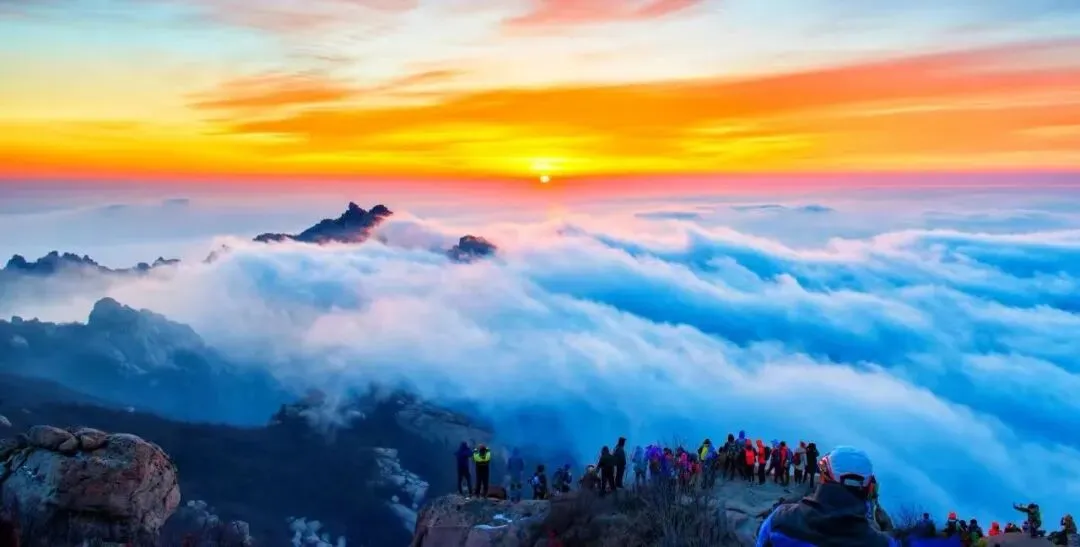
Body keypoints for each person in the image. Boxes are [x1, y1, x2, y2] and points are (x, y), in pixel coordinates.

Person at [755, 446, 898, 546]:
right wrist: (887, 528)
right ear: (869, 488)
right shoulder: (882, 543)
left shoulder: (780, 519)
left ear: (823, 478)